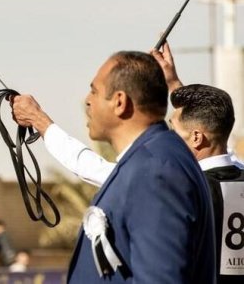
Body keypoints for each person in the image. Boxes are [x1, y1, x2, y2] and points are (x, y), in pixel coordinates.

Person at [14, 43, 244, 282]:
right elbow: (209, 134)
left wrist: (40, 121)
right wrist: (171, 85)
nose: (166, 136)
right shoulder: (222, 172)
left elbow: (89, 165)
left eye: (172, 128)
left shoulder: (159, 175)